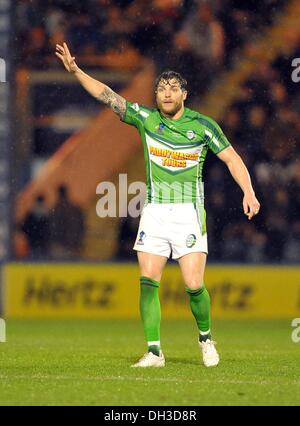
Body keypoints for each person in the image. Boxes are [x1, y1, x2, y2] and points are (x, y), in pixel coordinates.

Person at [56, 42, 260, 368]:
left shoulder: (203, 126)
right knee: (148, 280)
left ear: (185, 94)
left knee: (194, 285)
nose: (166, 93)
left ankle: (206, 339)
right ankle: (154, 352)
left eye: (173, 88)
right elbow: (108, 95)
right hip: (154, 212)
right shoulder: (146, 119)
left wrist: (248, 192)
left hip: (189, 213)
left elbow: (232, 158)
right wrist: (77, 71)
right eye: (161, 89)